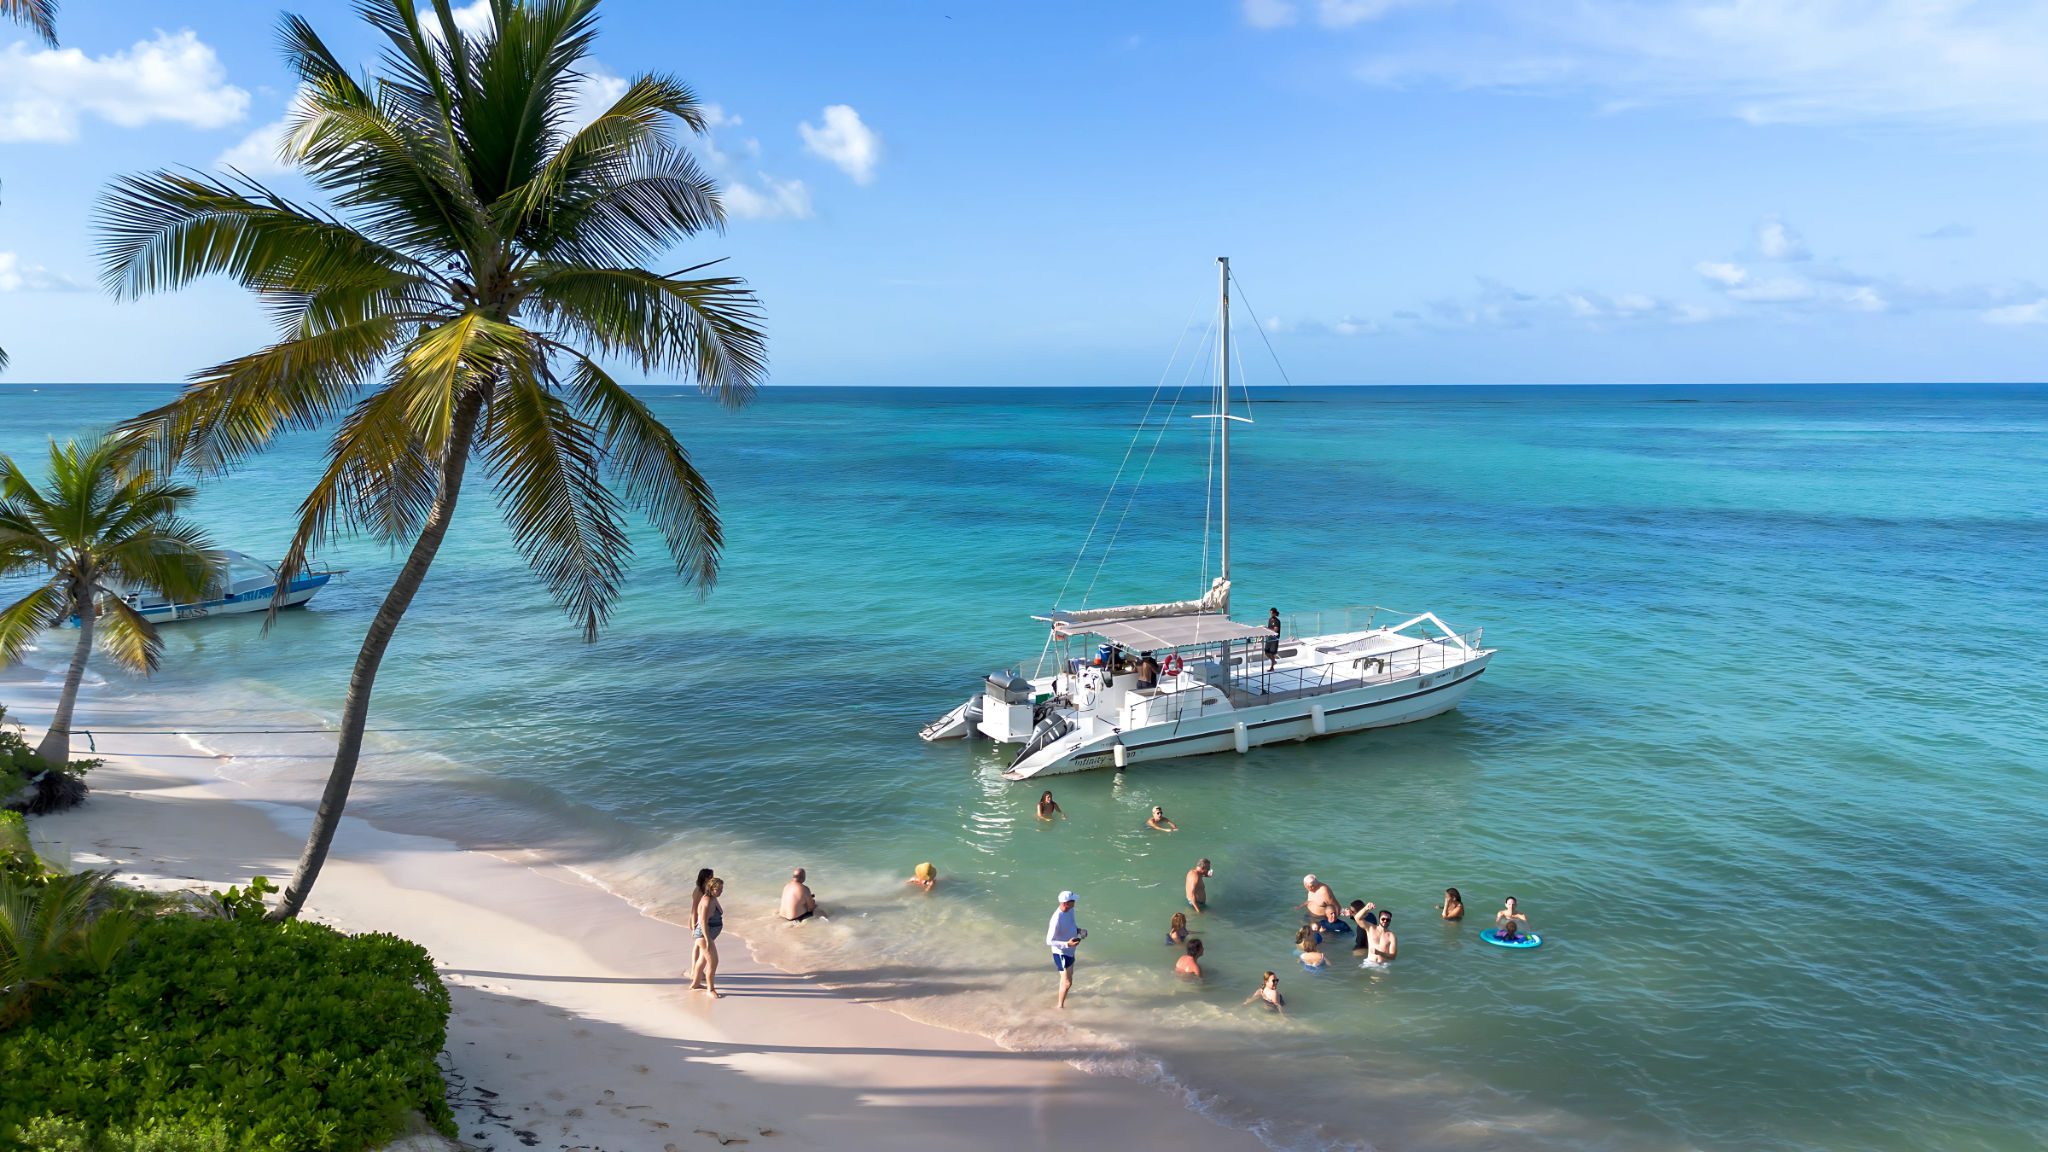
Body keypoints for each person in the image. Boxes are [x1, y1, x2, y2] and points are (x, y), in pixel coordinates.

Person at [1046, 890, 1087, 1008]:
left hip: (1070, 950)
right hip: (1061, 952)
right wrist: (1067, 944)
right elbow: (1049, 941)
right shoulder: (1056, 919)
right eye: (1072, 900)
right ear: (1065, 903)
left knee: (1068, 979)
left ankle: (1060, 997)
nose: (1075, 902)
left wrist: (1079, 931)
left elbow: (1071, 924)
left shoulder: (1070, 910)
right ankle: (1060, 1007)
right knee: (1067, 983)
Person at [689, 874, 725, 998]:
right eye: (718, 889)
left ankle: (695, 983)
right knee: (713, 961)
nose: (721, 891)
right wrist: (707, 939)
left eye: (722, 888)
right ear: (711, 888)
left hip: (708, 934)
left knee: (702, 960)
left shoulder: (713, 897)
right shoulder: (707, 901)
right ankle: (710, 990)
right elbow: (703, 921)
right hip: (705, 935)